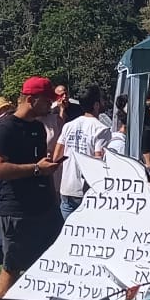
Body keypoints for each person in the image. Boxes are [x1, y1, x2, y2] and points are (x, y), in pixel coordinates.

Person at [0, 77, 63, 300]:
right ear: (31, 99)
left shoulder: (39, 128)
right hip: (16, 209)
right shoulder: (6, 129)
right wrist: (36, 169)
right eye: (47, 100)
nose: (51, 105)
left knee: (47, 261)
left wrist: (48, 172)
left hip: (44, 207)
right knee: (13, 265)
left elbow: (39, 164)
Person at [52, 88, 112, 219]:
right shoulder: (101, 129)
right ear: (96, 105)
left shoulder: (69, 126)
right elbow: (98, 162)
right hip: (87, 191)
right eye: (102, 101)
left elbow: (56, 157)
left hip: (67, 187)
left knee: (67, 235)